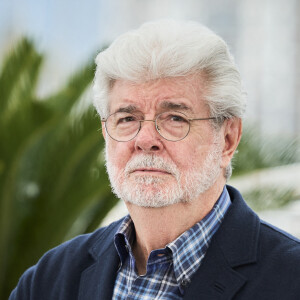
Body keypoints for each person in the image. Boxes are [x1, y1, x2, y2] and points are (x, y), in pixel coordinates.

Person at [10, 19, 300, 300]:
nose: (145, 139)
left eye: (175, 117)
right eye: (127, 118)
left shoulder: (291, 278)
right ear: (105, 133)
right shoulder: (49, 279)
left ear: (227, 139)